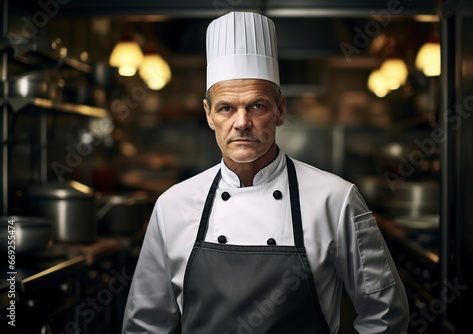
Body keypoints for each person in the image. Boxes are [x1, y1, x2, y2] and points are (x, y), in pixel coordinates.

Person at [122, 11, 409, 334]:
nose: (241, 122)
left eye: (256, 106)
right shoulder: (173, 205)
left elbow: (385, 316)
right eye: (226, 108)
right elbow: (144, 325)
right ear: (209, 115)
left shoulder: (336, 199)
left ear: (281, 110)